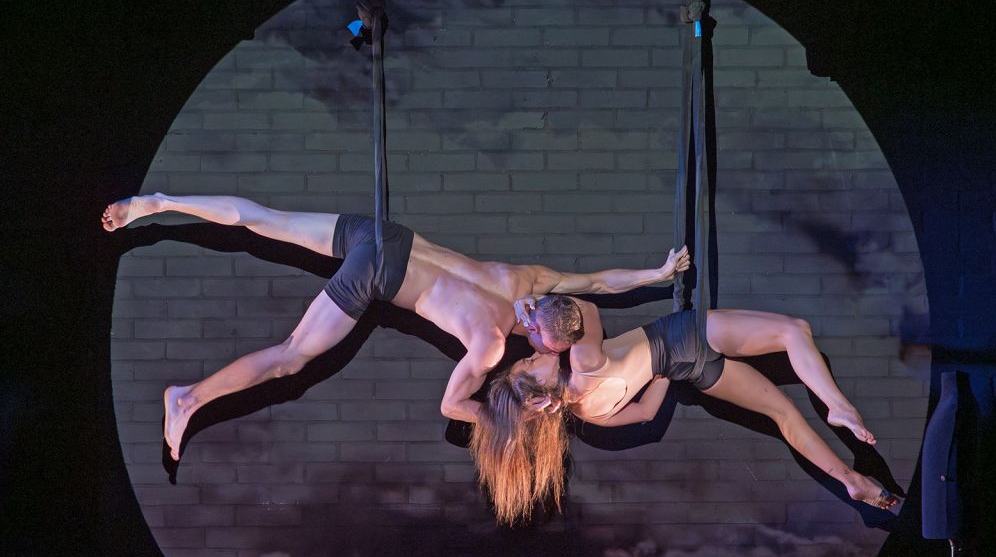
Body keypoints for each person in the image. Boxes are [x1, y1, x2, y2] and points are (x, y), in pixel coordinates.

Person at [101, 194, 689, 460]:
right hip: (379, 276)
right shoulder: (487, 345)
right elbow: (451, 406)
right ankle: (187, 399)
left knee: (263, 220)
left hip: (386, 237)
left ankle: (157, 201)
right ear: (537, 336)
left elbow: (596, 283)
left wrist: (657, 272)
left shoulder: (524, 277)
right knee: (290, 357)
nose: (548, 357)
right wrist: (508, 418)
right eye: (550, 350)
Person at [467, 295, 903, 525]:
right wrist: (538, 312)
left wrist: (660, 373)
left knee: (783, 415)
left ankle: (852, 481)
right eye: (527, 362)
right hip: (686, 336)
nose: (530, 353)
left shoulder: (586, 413)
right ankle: (837, 406)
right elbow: (587, 310)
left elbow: (644, 415)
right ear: (538, 385)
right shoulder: (582, 359)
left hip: (689, 370)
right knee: (795, 331)